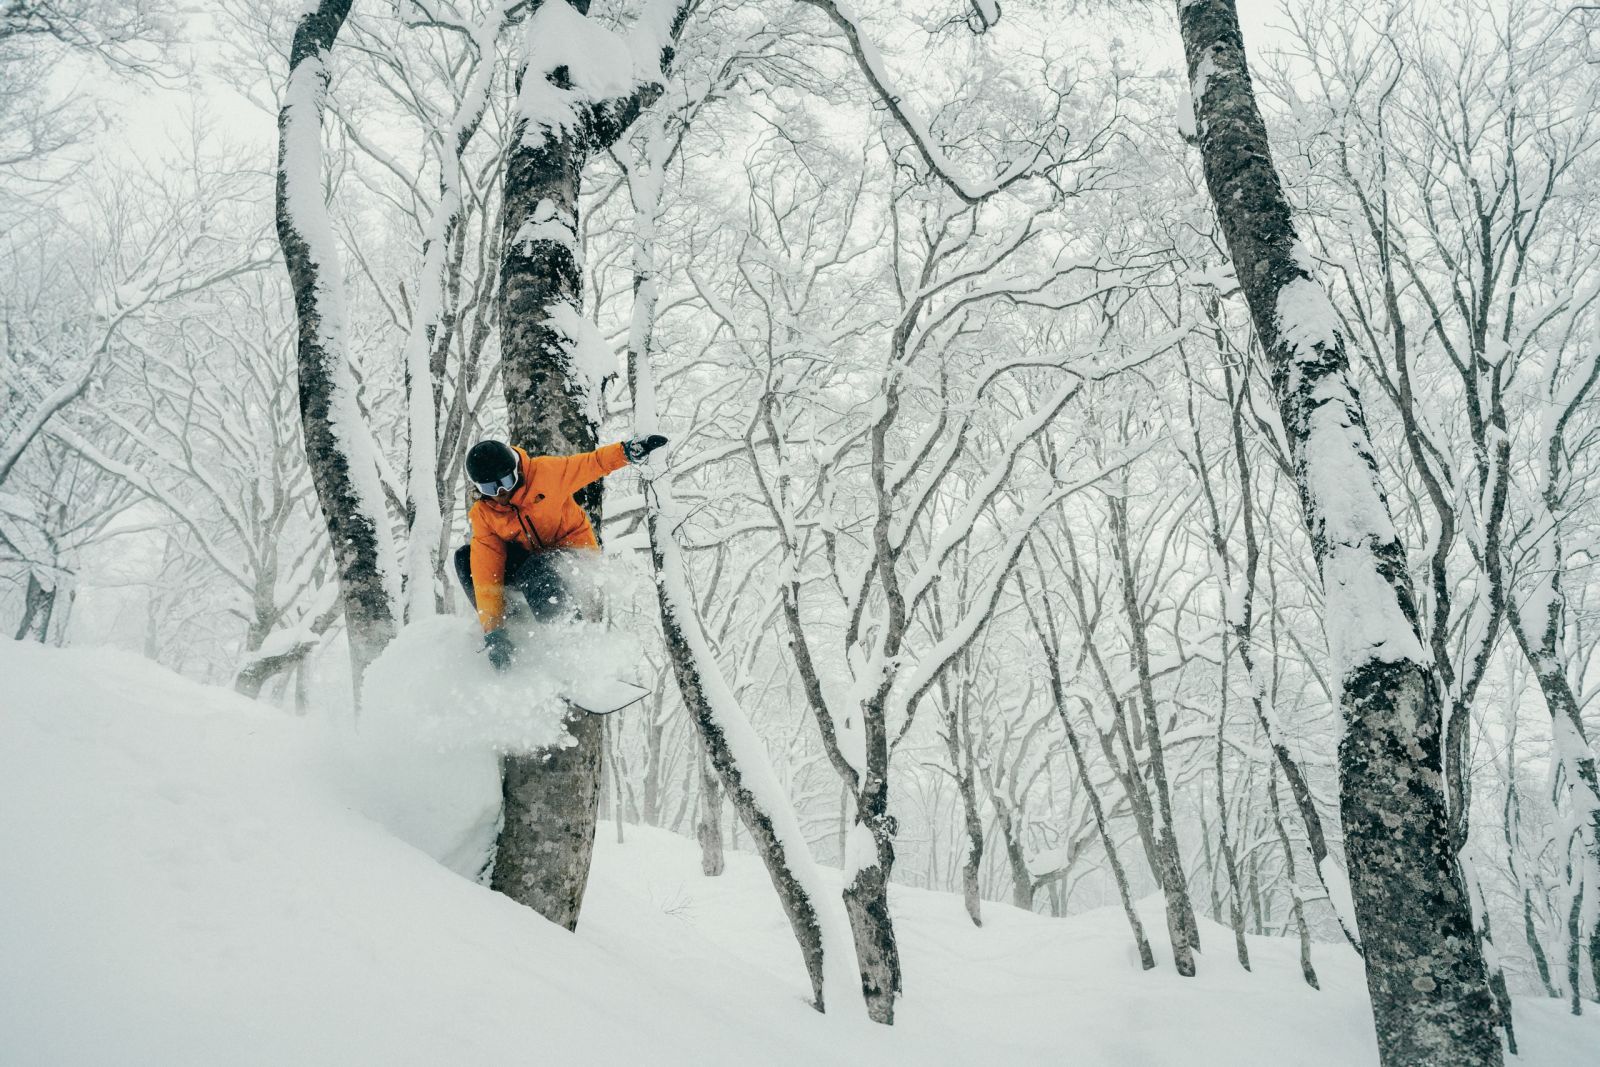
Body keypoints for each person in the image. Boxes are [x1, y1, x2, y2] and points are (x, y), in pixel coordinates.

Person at [454, 434, 667, 669]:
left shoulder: (546, 473)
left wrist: (627, 452)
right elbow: (486, 573)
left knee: (535, 568)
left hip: (572, 554)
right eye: (490, 487)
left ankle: (570, 641)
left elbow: (593, 463)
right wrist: (493, 630)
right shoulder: (485, 513)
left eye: (506, 480)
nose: (501, 492)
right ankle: (513, 628)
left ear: (516, 469)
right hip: (532, 567)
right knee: (465, 558)